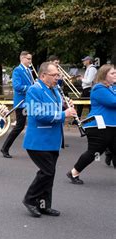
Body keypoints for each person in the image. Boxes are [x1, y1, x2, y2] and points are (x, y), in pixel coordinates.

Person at [21, 62, 77, 217]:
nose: (57, 78)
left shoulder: (55, 90)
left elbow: (54, 108)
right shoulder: (34, 90)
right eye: (54, 75)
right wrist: (63, 115)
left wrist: (66, 107)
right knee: (47, 172)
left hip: (53, 139)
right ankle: (30, 199)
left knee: (49, 174)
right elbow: (37, 114)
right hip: (38, 140)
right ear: (43, 75)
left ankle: (44, 205)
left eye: (58, 75)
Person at [67, 64, 116, 184]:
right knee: (94, 152)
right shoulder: (99, 88)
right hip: (98, 127)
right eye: (113, 73)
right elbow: (113, 102)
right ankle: (74, 172)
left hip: (111, 127)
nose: (115, 75)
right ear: (104, 75)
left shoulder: (111, 87)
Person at [0, 51, 35, 158]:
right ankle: (5, 148)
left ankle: (34, 147)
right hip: (21, 103)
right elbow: (17, 86)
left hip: (30, 102)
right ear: (22, 59)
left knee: (34, 123)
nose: (30, 61)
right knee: (19, 126)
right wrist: (32, 88)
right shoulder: (17, 70)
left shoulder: (29, 70)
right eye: (28, 59)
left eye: (30, 59)